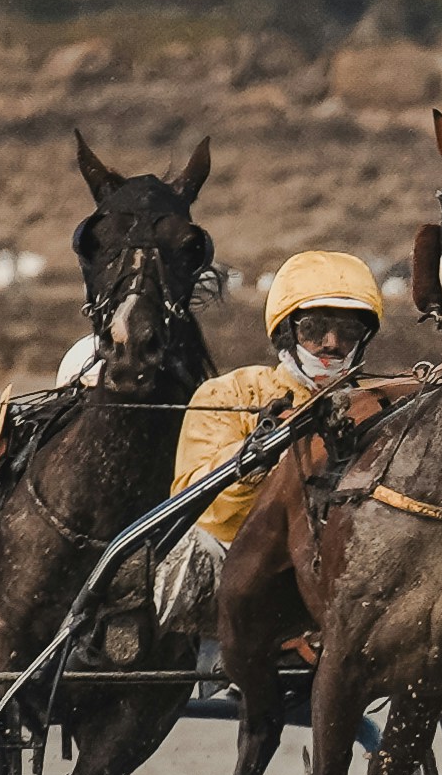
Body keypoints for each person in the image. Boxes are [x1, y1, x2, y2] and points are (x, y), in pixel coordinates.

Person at [155, 251, 383, 621]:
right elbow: (200, 510)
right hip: (241, 586)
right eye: (314, 329)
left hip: (339, 584)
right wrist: (256, 458)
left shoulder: (377, 407)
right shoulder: (229, 394)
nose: (331, 342)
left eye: (348, 332)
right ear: (287, 332)